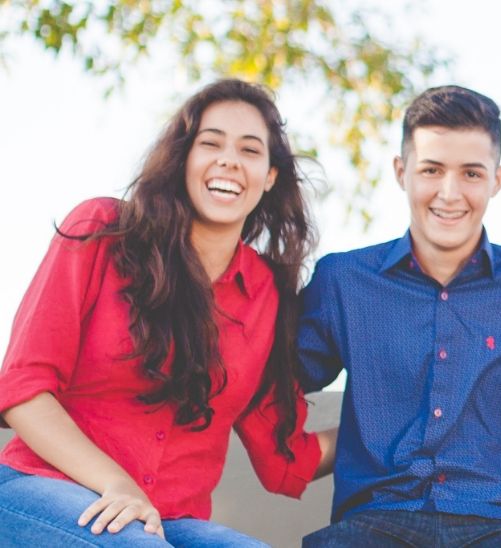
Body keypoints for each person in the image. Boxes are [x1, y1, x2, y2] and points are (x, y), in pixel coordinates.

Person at [0, 79, 334, 546]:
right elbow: (22, 389)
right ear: (184, 160)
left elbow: (285, 461)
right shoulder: (102, 232)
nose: (229, 161)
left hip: (171, 523)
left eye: (250, 150)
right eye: (210, 143)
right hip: (42, 489)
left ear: (271, 176)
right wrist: (117, 484)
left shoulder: (267, 297)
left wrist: (396, 425)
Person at [296, 85, 501, 547]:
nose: (450, 192)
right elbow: (270, 380)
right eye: (432, 170)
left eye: (471, 173)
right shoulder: (343, 280)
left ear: (498, 180)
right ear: (402, 172)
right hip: (371, 525)